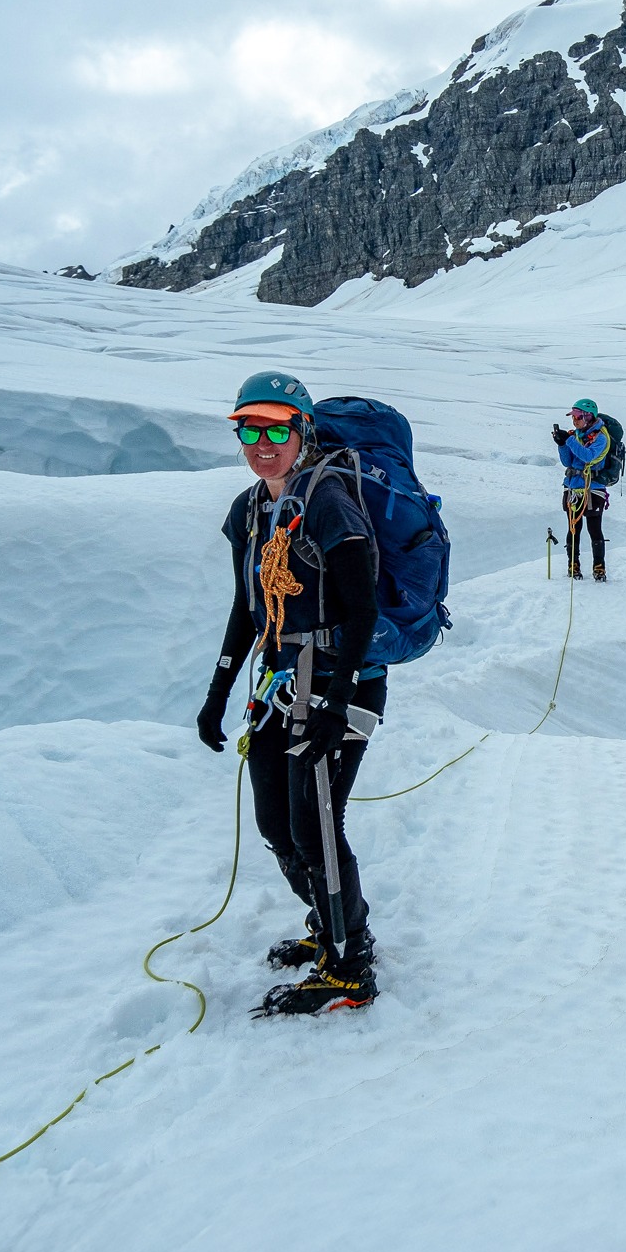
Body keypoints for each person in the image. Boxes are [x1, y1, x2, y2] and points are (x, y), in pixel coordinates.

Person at [196, 372, 386, 1016]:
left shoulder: (329, 501)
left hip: (342, 682)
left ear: (303, 431)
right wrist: (219, 690)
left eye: (277, 430)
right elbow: (246, 607)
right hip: (281, 684)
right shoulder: (249, 509)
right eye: (250, 430)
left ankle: (350, 968)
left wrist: (336, 701)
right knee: (277, 823)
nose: (263, 444)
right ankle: (336, 926)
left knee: (316, 825)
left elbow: (362, 610)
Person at [552, 398, 611, 581]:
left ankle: (599, 569)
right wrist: (562, 444)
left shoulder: (601, 437)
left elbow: (589, 457)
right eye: (573, 417)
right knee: (573, 529)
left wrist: (569, 441)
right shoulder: (576, 436)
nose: (574, 420)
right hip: (572, 487)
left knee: (594, 529)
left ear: (589, 416)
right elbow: (567, 462)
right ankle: (573, 566)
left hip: (593, 489)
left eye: (578, 416)